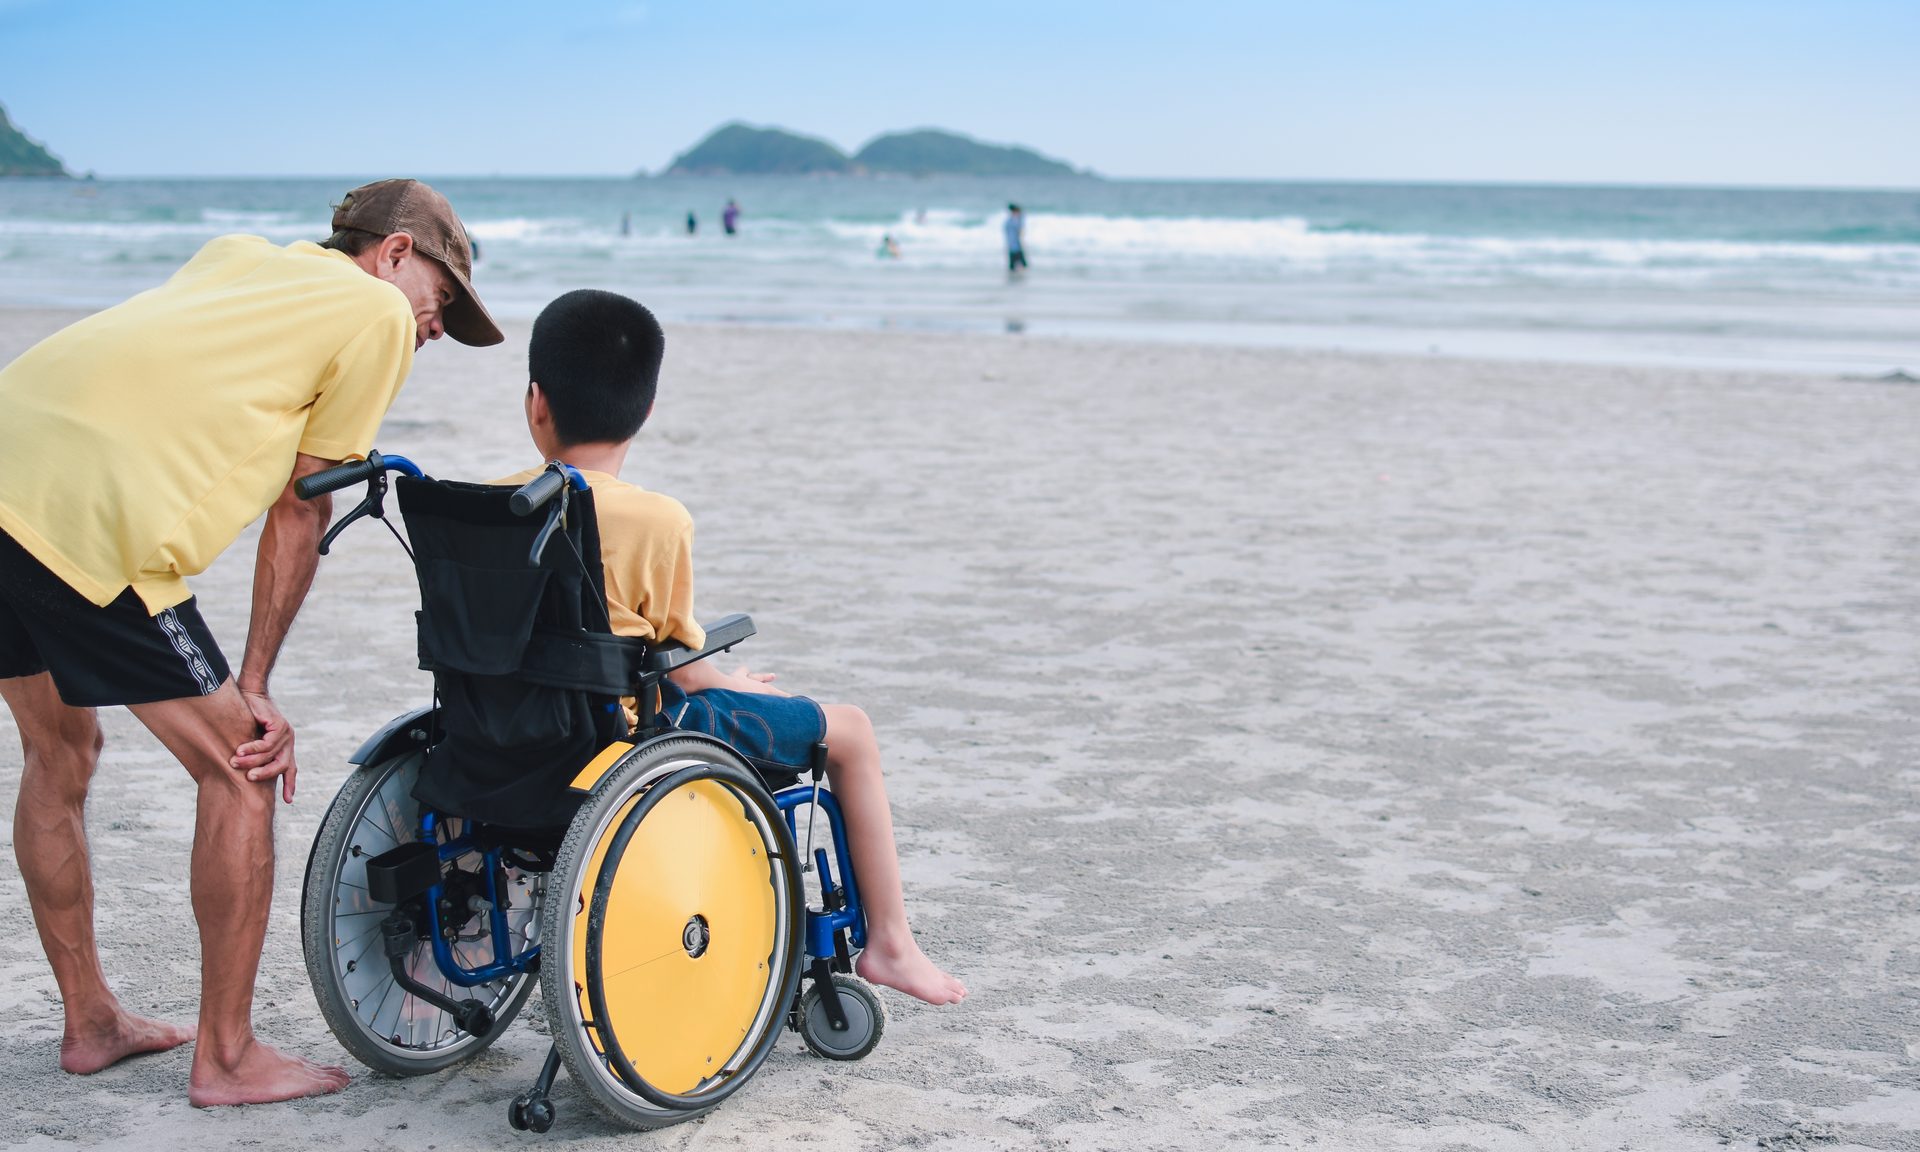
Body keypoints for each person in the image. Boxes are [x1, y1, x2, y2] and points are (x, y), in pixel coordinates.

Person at [0, 179, 501, 1106]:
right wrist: (255, 684)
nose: (437, 329)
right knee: (242, 765)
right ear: (394, 254)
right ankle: (226, 1057)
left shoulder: (239, 257)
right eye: (443, 301)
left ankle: (91, 1023)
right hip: (88, 521)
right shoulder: (373, 314)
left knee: (58, 747)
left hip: (9, 459)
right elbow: (299, 508)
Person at [493, 289, 966, 1006]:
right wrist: (737, 684)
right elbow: (680, 670)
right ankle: (892, 944)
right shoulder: (655, 520)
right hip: (617, 744)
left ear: (535, 401)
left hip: (497, 738)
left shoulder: (486, 506)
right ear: (646, 411)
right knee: (852, 731)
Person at [1004, 203, 1027, 274]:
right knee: (1018, 263)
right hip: (1014, 244)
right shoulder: (1013, 221)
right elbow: (1019, 231)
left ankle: (1014, 276)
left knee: (1014, 264)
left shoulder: (1010, 220)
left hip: (1013, 244)